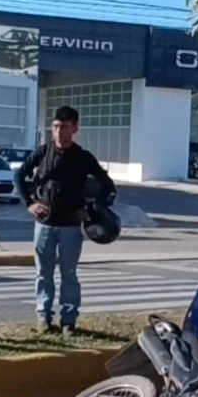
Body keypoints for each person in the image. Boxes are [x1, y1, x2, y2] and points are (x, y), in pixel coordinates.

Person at [16, 105, 115, 337]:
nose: (59, 131)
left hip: (71, 227)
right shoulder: (42, 153)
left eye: (65, 127)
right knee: (43, 273)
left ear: (75, 129)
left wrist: (89, 211)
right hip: (44, 225)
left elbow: (107, 186)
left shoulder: (83, 157)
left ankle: (68, 320)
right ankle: (43, 316)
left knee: (69, 274)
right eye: (56, 126)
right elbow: (19, 175)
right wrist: (29, 203)